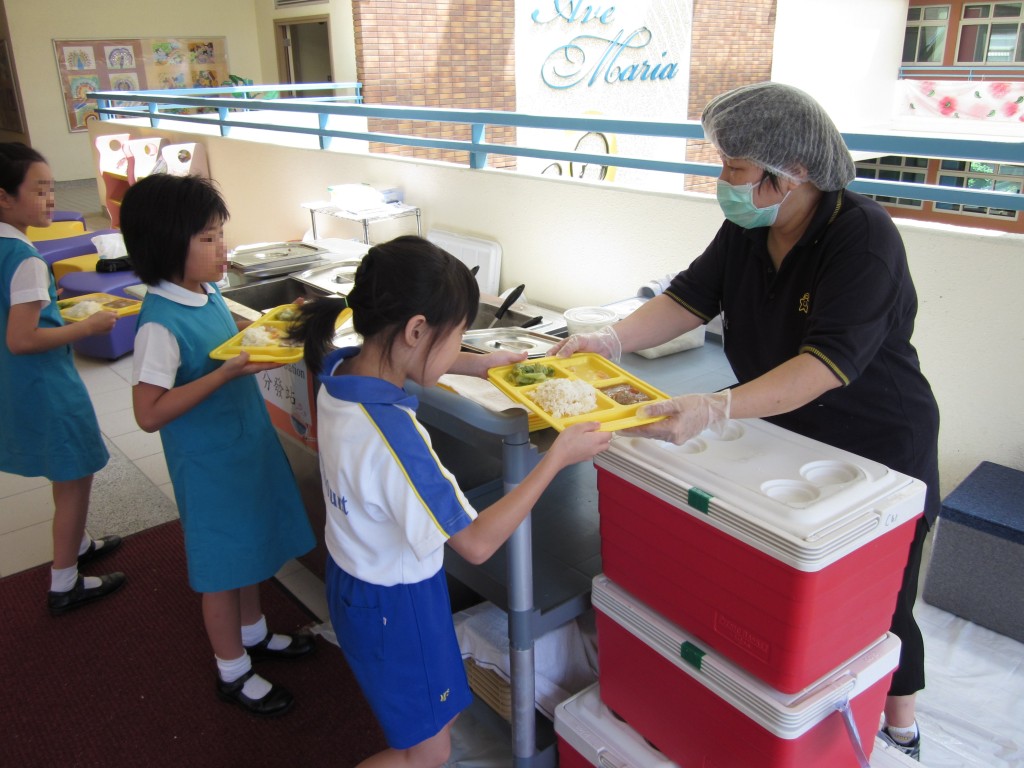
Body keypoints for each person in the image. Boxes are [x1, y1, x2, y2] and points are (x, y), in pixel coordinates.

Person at [555, 82, 939, 761]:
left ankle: (897, 720)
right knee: (772, 568)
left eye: (733, 167)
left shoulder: (862, 239)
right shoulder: (750, 224)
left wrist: (718, 405)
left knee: (874, 594)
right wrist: (611, 340)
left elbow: (824, 365)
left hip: (875, 435)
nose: (722, 179)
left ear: (788, 176)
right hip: (780, 427)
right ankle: (767, 691)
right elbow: (690, 296)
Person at [288, 235, 611, 768]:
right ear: (417, 329)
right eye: (457, 335)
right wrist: (557, 457)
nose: (460, 344)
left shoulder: (340, 371)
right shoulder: (395, 439)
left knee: (427, 730)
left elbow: (410, 358)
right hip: (398, 606)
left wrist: (478, 364)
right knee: (430, 749)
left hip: (354, 583)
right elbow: (478, 543)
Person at [120, 174, 317, 718]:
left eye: (219, 234)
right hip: (208, 466)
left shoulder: (204, 292)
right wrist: (224, 374)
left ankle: (253, 634)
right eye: (207, 238)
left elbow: (233, 336)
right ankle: (232, 671)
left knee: (252, 548)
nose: (221, 248)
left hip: (243, 445)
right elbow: (148, 413)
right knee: (221, 569)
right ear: (166, 245)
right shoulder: (159, 325)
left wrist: (279, 328)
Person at [0, 142, 126, 616]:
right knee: (75, 475)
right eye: (40, 189)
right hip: (45, 384)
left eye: (52, 188)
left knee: (61, 468)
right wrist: (86, 327)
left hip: (16, 385)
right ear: (4, 197)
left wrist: (58, 311)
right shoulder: (25, 259)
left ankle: (78, 544)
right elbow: (23, 338)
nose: (51, 198)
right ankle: (65, 582)